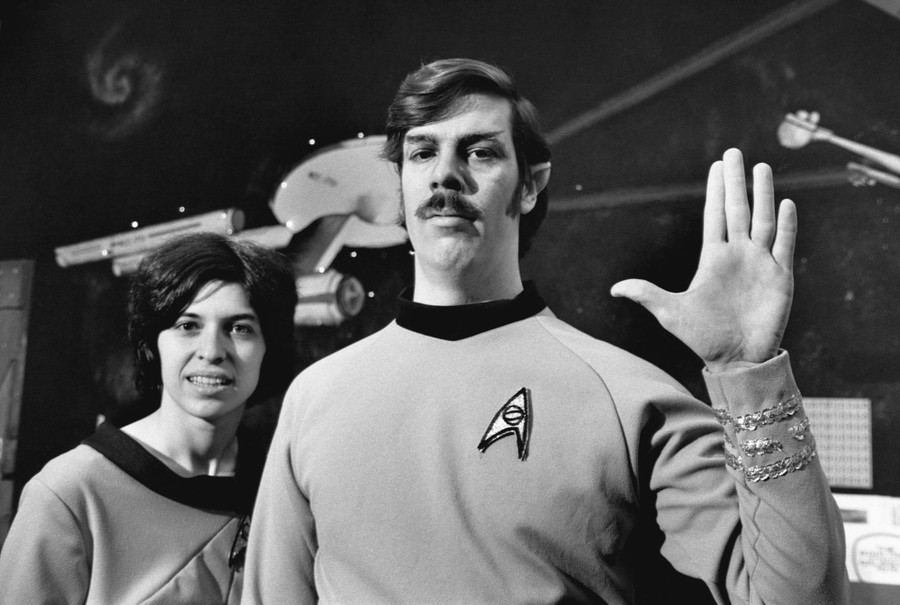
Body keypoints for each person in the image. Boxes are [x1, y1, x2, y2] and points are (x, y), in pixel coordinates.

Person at [243, 58, 849, 604]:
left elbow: (798, 600)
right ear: (399, 187)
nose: (445, 175)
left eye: (479, 152)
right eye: (423, 153)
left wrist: (748, 373)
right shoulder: (314, 398)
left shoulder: (629, 397)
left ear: (530, 184)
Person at [0, 232, 298, 604]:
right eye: (188, 326)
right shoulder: (70, 492)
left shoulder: (283, 487)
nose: (212, 351)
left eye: (240, 328)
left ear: (269, 348)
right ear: (152, 344)